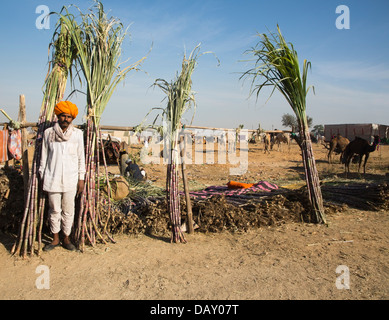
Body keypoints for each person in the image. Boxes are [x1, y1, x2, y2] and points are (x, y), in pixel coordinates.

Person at [39, 101, 86, 251]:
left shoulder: (78, 135)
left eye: (69, 117)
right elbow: (44, 158)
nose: (66, 119)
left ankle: (66, 238)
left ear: (72, 119)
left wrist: (81, 179)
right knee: (54, 210)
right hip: (52, 178)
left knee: (69, 210)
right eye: (63, 116)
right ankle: (55, 238)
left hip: (71, 179)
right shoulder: (49, 134)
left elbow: (81, 158)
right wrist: (42, 176)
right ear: (58, 116)